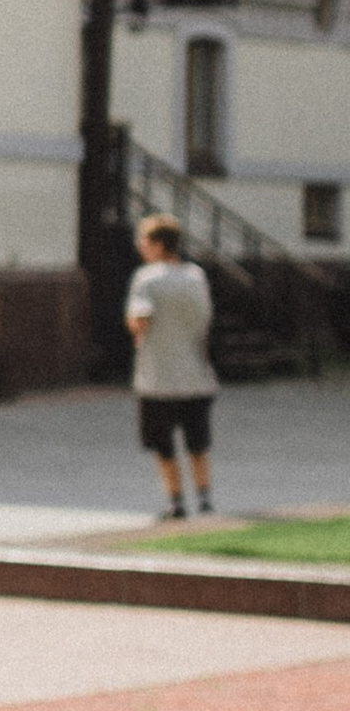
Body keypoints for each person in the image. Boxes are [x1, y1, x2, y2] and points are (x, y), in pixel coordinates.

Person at [126, 211, 218, 516]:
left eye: (143, 240)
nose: (140, 246)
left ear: (157, 244)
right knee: (198, 442)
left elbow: (140, 320)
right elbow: (204, 318)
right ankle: (204, 498)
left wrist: (135, 329)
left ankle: (176, 501)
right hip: (196, 375)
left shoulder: (146, 279)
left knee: (163, 445)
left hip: (157, 379)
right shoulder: (196, 276)